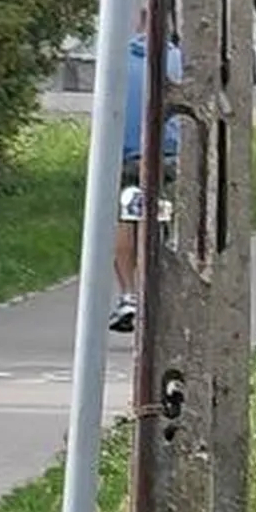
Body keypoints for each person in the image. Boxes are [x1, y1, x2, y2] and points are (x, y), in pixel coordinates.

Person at [111, 27, 182, 335]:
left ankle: (129, 295)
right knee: (159, 215)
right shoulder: (179, 60)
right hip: (165, 157)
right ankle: (159, 291)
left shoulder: (118, 58)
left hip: (126, 157)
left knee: (124, 218)